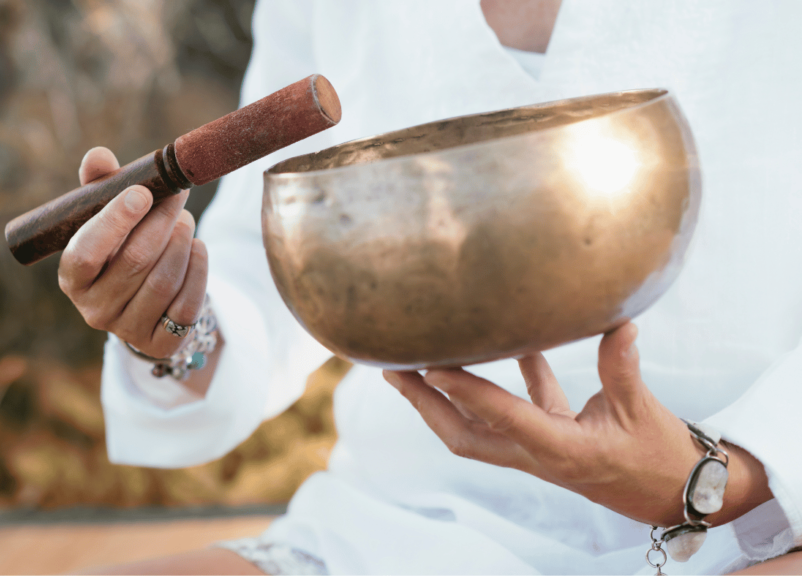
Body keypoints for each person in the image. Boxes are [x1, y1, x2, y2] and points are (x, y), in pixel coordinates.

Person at [59, 0, 802, 573]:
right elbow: (265, 274)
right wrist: (173, 324)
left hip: (762, 526)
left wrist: (722, 477)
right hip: (407, 532)